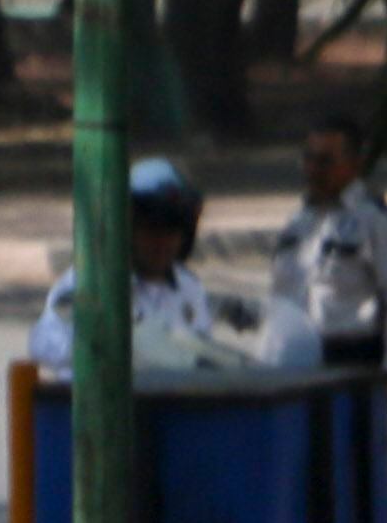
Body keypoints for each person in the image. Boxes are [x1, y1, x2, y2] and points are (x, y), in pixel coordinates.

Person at [28, 157, 250, 370]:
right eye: (150, 229)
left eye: (172, 230)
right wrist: (103, 343)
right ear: (126, 230)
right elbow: (43, 344)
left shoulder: (188, 287)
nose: (162, 241)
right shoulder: (92, 282)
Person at [267, 121, 387, 375]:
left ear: (355, 165)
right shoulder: (297, 223)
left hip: (352, 362)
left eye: (325, 161)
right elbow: (282, 298)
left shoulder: (375, 221)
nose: (313, 169)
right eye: (308, 158)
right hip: (293, 363)